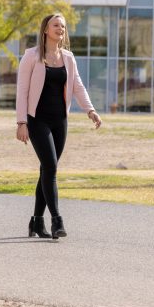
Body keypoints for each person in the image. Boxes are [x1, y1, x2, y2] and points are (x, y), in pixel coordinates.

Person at [16, 13, 102, 239]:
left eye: (63, 26)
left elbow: (78, 86)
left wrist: (90, 110)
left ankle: (36, 222)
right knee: (51, 167)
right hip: (37, 120)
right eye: (56, 25)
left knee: (47, 169)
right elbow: (22, 90)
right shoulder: (32, 57)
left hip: (60, 121)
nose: (60, 29)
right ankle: (56, 220)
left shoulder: (68, 58)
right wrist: (21, 122)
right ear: (45, 29)